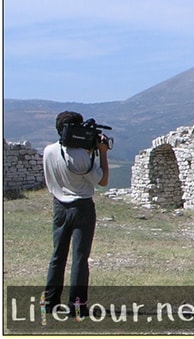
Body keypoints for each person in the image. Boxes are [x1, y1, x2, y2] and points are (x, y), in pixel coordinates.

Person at [41, 111, 110, 318]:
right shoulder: (81, 156)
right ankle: (77, 305)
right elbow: (103, 181)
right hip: (82, 207)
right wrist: (102, 153)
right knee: (80, 258)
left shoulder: (48, 150)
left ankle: (50, 302)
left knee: (57, 256)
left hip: (59, 206)